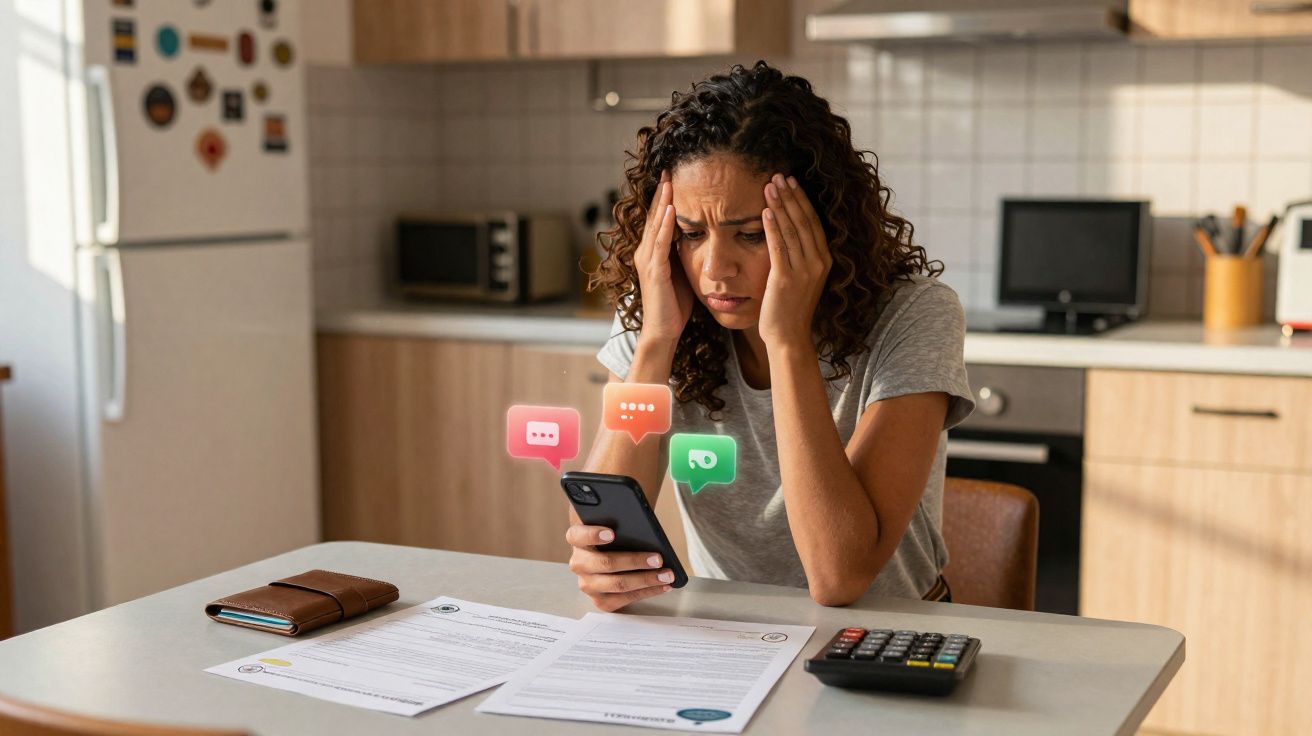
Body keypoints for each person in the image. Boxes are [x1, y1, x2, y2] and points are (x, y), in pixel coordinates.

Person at [566, 60, 974, 611]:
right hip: (731, 633)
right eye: (690, 233)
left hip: (884, 637)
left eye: (752, 235)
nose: (714, 268)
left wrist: (787, 342)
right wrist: (657, 340)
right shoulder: (662, 302)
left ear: (820, 226)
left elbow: (838, 578)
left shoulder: (915, 316)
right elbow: (602, 524)